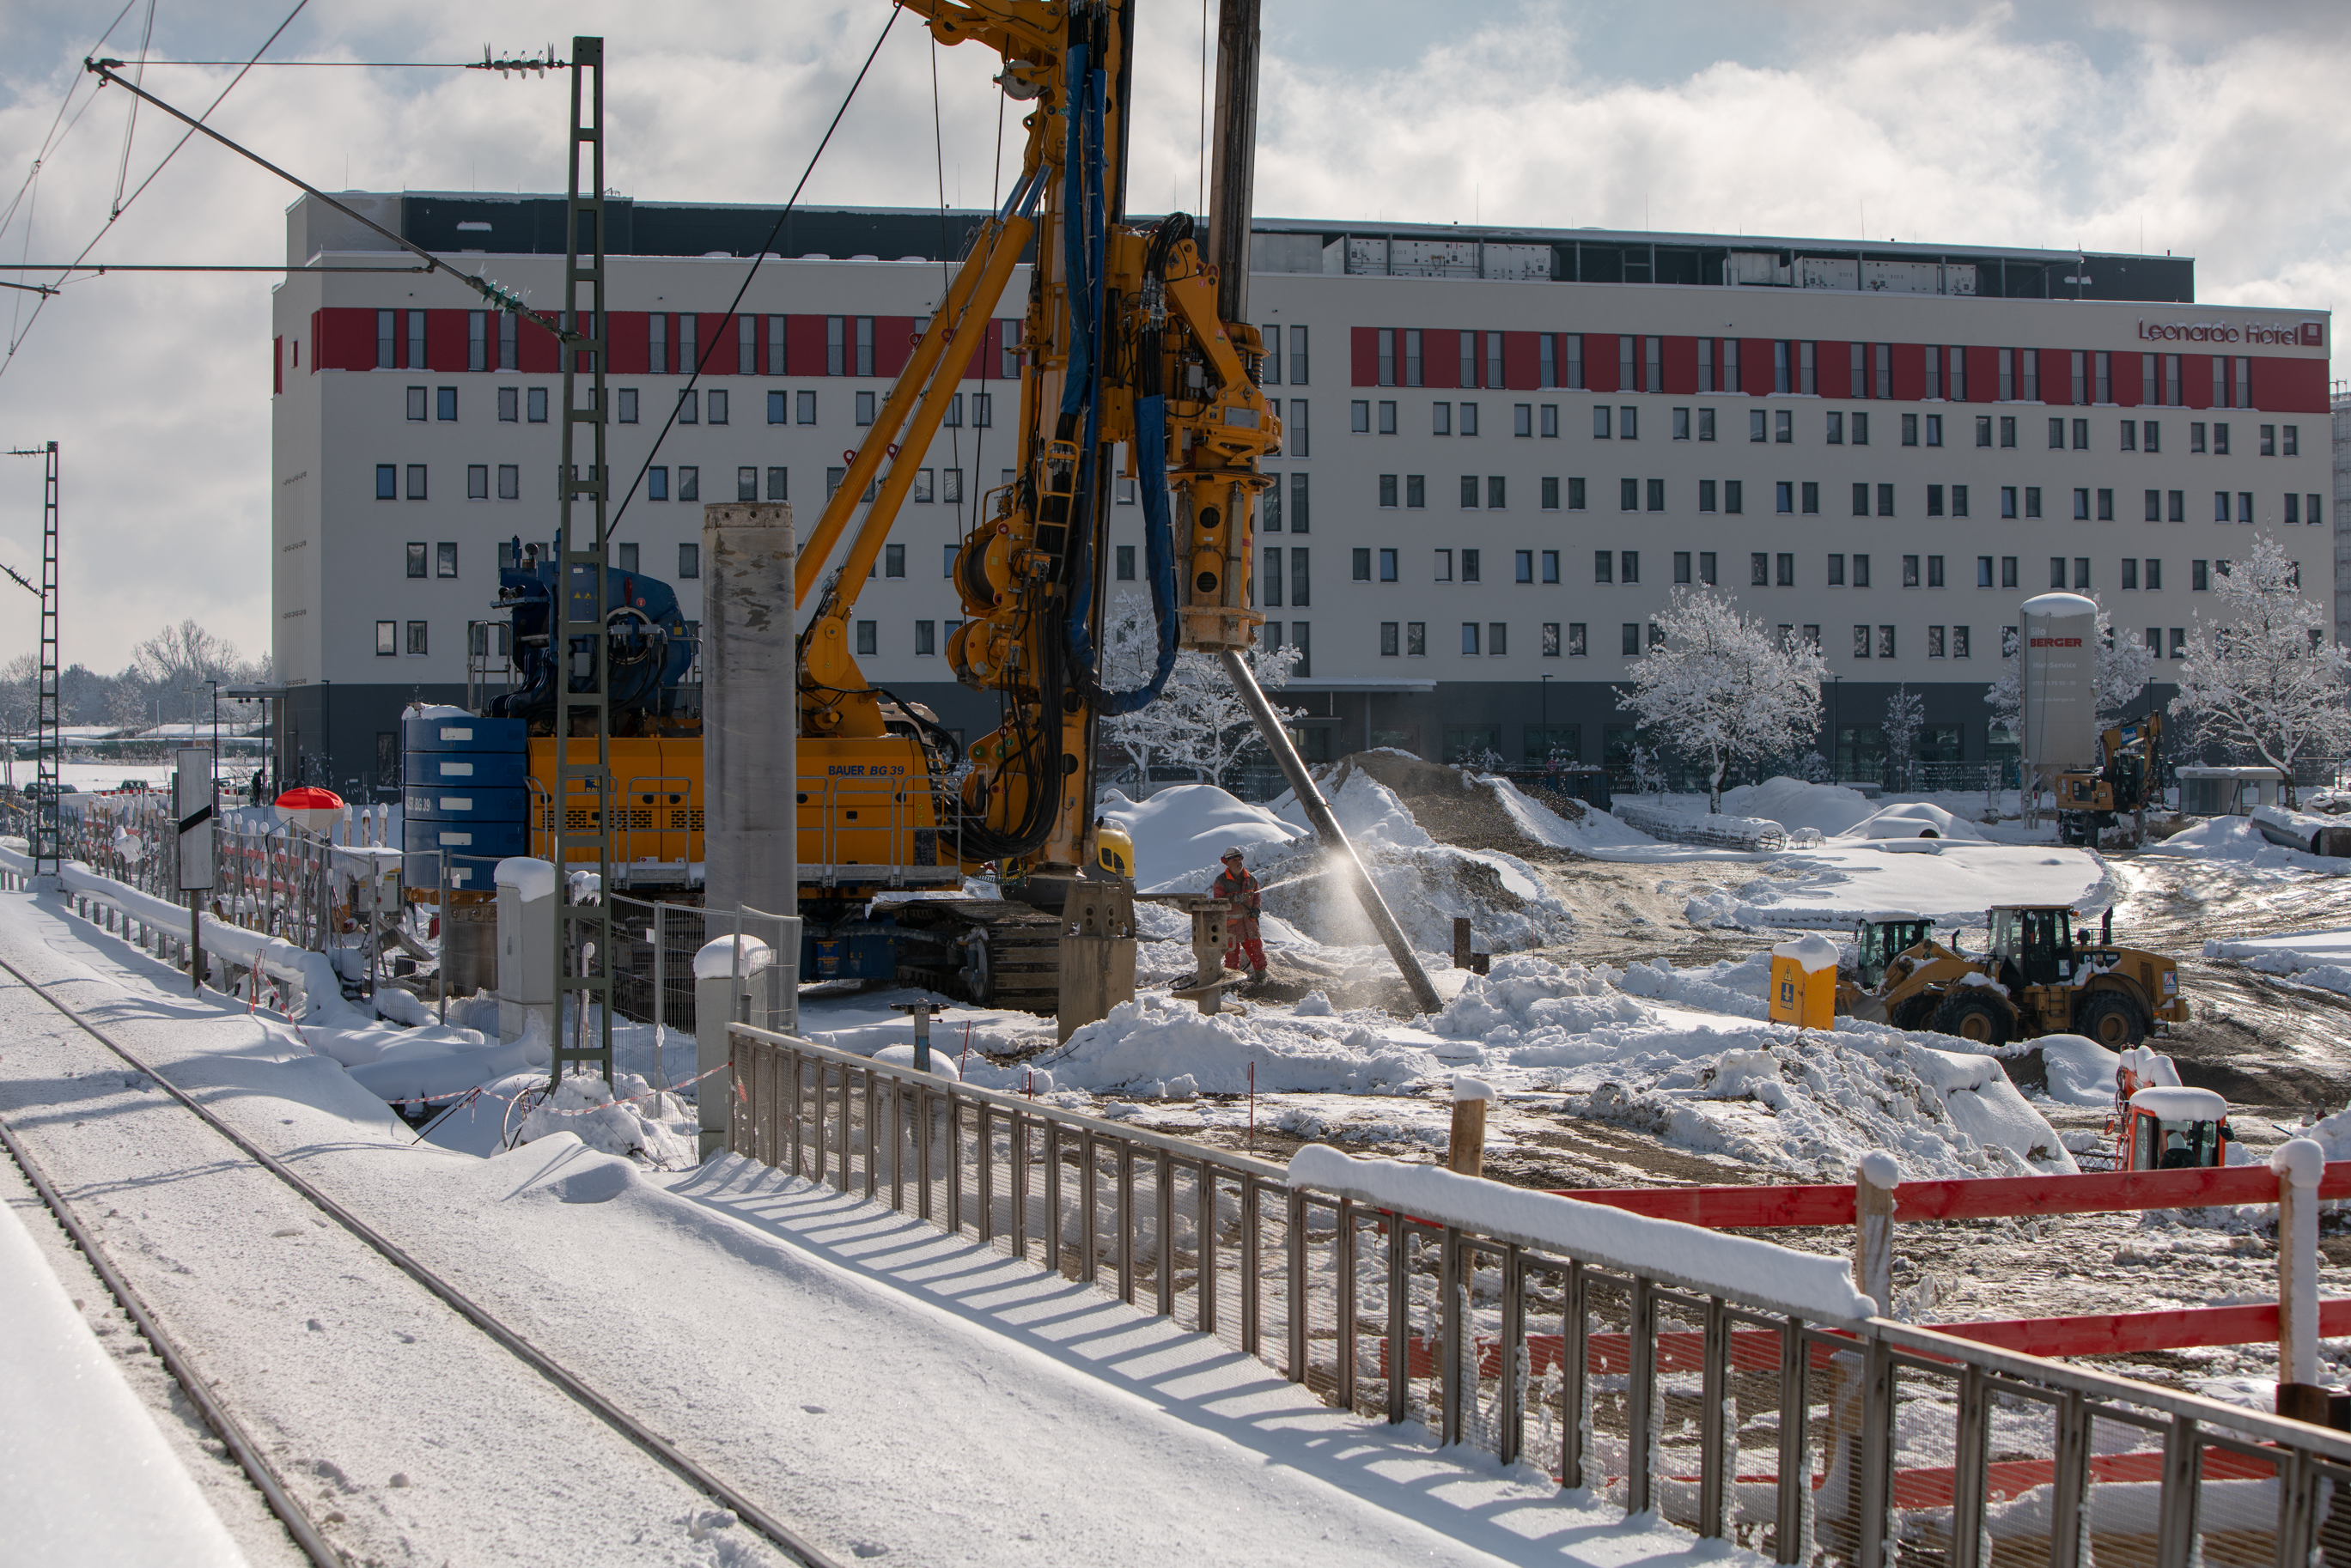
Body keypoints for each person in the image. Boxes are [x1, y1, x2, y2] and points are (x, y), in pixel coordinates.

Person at [1212, 848, 1268, 984]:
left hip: (1249, 924)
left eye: (1240, 859)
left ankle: (1263, 982)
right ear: (1227, 863)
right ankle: (1231, 987)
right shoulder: (1221, 882)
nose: (1239, 862)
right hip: (1231, 927)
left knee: (1258, 955)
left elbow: (1257, 896)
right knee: (1231, 959)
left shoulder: (1251, 879)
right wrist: (1232, 899)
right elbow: (1217, 903)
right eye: (1235, 860)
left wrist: (1256, 909)